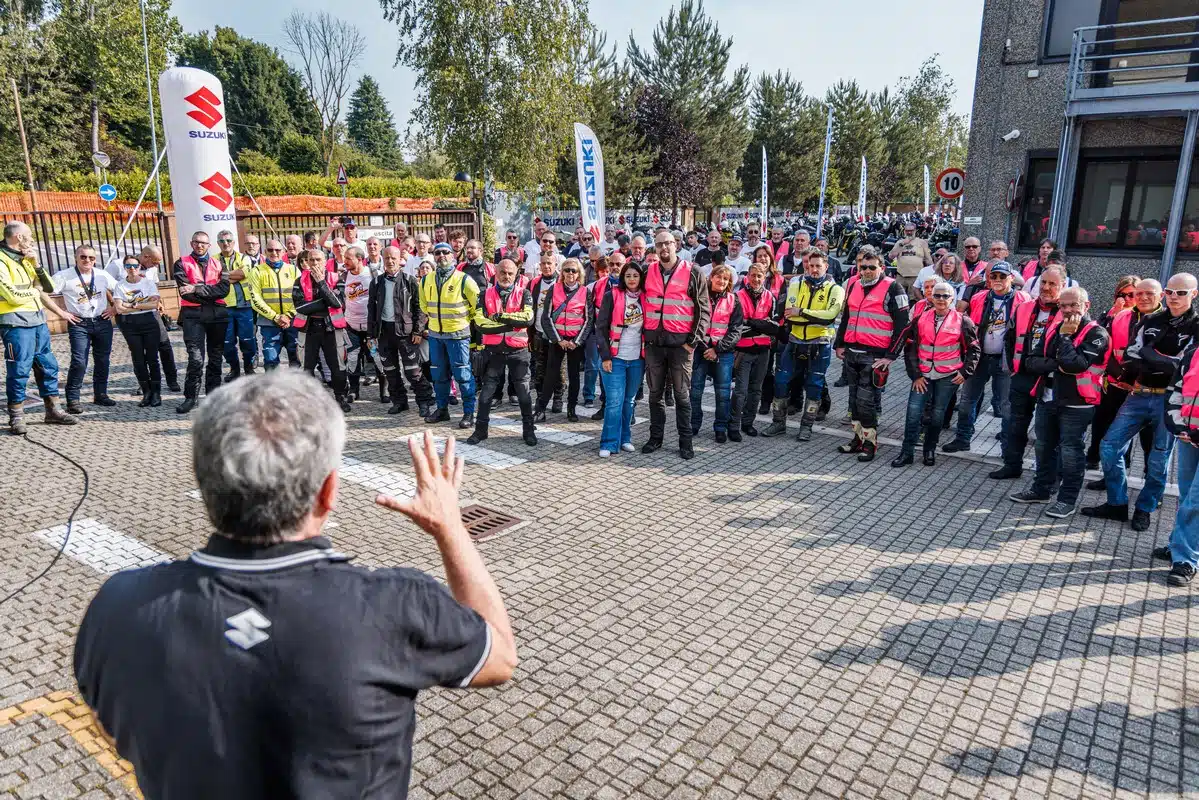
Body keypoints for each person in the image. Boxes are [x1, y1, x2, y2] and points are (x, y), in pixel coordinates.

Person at [73, 374, 516, 800]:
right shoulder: (395, 605)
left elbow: (110, 721)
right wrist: (451, 528)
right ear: (328, 491)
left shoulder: (119, 607)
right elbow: (498, 657)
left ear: (205, 482)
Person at [1084, 272, 1199, 530]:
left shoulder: (1196, 325)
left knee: (1158, 461)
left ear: (1193, 294)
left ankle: (1145, 507)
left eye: (1180, 292)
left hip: (1170, 401)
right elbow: (1133, 357)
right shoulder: (1151, 320)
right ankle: (1117, 503)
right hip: (1139, 393)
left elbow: (1188, 367)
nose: (1174, 297)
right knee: (1109, 447)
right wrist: (1163, 361)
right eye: (1170, 292)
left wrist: (1154, 357)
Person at [1008, 286, 1110, 518]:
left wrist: (1065, 338)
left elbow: (1076, 365)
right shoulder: (1054, 327)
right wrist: (1057, 363)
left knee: (1071, 452)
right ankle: (1041, 489)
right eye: (1062, 305)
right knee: (1044, 447)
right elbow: (1030, 361)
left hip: (1077, 403)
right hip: (1048, 397)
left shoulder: (1096, 333)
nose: (1067, 310)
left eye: (1073, 305)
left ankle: (1067, 499)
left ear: (1086, 306)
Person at [943, 262, 1031, 452]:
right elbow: (970, 327)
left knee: (1007, 406)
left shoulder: (1024, 299)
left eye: (1002, 276)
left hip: (1006, 360)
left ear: (1012, 278)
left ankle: (1007, 446)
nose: (998, 280)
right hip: (979, 358)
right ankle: (962, 439)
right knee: (967, 400)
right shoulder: (979, 297)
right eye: (994, 276)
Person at [889, 281, 980, 467]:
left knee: (938, 415)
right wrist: (915, 375)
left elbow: (974, 350)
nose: (940, 299)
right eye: (937, 295)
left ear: (952, 298)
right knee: (913, 413)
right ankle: (907, 452)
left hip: (948, 376)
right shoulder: (921, 318)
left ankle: (929, 450)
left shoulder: (963, 320)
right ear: (931, 297)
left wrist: (965, 372)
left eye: (945, 296)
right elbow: (910, 348)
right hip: (922, 375)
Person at [0, 221, 77, 433]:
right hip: (15, 322)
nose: (33, 240)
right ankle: (16, 416)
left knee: (48, 366)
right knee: (19, 369)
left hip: (38, 320)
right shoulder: (1, 260)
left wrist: (36, 264)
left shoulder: (26, 258)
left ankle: (53, 411)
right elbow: (13, 297)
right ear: (19, 238)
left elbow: (49, 287)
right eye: (30, 236)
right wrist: (35, 290)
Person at [988, 268, 1065, 480]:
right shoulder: (1024, 307)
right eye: (1044, 282)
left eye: (1052, 284)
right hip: (1021, 377)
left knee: (1046, 432)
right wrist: (1013, 369)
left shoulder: (1067, 311)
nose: (1047, 288)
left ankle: (1048, 477)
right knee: (1015, 424)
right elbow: (1010, 339)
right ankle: (1012, 465)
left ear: (1063, 286)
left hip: (1050, 380)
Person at [641, 230, 711, 460]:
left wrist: (692, 343)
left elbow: (703, 310)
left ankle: (685, 442)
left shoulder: (693, 271)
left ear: (676, 245)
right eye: (659, 244)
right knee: (655, 395)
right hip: (654, 344)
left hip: (681, 345)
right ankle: (655, 438)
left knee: (682, 396)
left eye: (668, 244)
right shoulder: (648, 270)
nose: (664, 248)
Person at [835, 250, 910, 462]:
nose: (867, 271)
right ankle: (857, 439)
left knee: (866, 402)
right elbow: (846, 318)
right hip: (852, 352)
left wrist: (890, 356)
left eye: (871, 267)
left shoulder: (894, 287)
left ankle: (870, 443)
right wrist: (839, 345)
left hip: (874, 356)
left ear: (881, 268)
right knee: (853, 402)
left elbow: (903, 326)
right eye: (863, 267)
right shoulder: (854, 285)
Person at [763, 250, 845, 441]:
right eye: (810, 265)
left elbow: (830, 316)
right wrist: (811, 315)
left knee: (814, 385)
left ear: (826, 266)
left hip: (820, 344)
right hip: (794, 341)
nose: (814, 269)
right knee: (781, 381)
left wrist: (802, 312)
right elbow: (790, 314)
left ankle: (806, 426)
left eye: (818, 266)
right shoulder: (796, 283)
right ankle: (778, 423)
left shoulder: (836, 289)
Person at [1085, 277, 1156, 472]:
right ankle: (1106, 468)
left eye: (1132, 294)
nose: (1126, 299)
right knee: (1110, 429)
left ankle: (1150, 483)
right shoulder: (1114, 316)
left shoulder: (1159, 321)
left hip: (1146, 389)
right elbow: (1104, 348)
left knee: (1149, 439)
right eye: (1121, 295)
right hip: (1115, 384)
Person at [467, 259, 536, 447]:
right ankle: (480, 431)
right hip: (493, 351)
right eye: (503, 272)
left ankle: (528, 430)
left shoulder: (525, 294)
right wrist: (511, 323)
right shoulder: (484, 294)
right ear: (496, 273)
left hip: (518, 351)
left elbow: (528, 319)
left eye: (510, 273)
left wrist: (501, 317)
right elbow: (480, 324)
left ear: (517, 275)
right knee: (486, 395)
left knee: (524, 394)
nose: (506, 276)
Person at [368, 246, 435, 417]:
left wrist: (418, 331)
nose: (390, 261)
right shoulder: (376, 282)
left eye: (394, 258)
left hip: (406, 332)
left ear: (400, 260)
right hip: (384, 332)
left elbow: (420, 308)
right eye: (387, 258)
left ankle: (424, 401)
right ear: (383, 259)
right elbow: (371, 310)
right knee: (390, 371)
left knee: (413, 371)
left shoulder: (410, 280)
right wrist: (371, 334)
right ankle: (399, 402)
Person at [420, 241, 480, 429]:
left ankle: (469, 413)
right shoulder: (425, 280)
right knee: (438, 375)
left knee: (463, 375)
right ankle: (442, 410)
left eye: (446, 252)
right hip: (436, 335)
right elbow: (423, 306)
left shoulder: (463, 279)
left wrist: (463, 322)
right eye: (437, 253)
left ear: (453, 255)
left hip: (457, 335)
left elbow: (476, 305)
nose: (442, 256)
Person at [53, 244, 117, 413]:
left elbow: (122, 290)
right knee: (79, 361)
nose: (87, 260)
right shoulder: (64, 276)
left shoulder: (102, 275)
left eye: (91, 257)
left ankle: (101, 394)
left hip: (102, 322)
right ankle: (73, 399)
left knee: (103, 360)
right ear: (76, 257)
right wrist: (62, 313)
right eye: (83, 257)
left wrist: (114, 309)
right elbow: (44, 292)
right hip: (78, 323)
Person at [174, 230, 230, 415]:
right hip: (193, 315)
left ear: (209, 245)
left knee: (215, 358)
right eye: (197, 242)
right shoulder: (181, 263)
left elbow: (224, 290)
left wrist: (197, 288)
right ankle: (191, 397)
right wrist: (210, 294)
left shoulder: (219, 263)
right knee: (196, 359)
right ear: (191, 243)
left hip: (217, 316)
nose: (200, 245)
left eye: (203, 243)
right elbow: (185, 292)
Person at [291, 248, 352, 413]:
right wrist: (325, 303)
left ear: (325, 261)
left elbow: (338, 303)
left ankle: (341, 398)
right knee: (307, 367)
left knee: (337, 367)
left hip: (331, 328)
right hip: (308, 328)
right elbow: (300, 307)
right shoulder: (299, 280)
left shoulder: (335, 278)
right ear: (307, 262)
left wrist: (321, 284)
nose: (315, 263)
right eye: (311, 260)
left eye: (318, 260)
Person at [596, 261, 646, 456]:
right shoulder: (612, 296)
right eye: (628, 276)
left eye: (635, 275)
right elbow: (600, 328)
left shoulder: (646, 298)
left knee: (629, 401)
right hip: (615, 357)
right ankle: (608, 443)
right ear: (623, 278)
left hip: (637, 359)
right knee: (614, 402)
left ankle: (625, 438)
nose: (632, 279)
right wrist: (606, 356)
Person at [688, 265, 743, 442]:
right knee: (695, 391)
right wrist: (706, 349)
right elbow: (693, 322)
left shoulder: (733, 300)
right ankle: (694, 424)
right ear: (711, 278)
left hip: (723, 352)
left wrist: (717, 349)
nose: (721, 281)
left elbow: (736, 331)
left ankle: (720, 427)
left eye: (725, 279)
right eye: (718, 277)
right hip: (701, 350)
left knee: (723, 393)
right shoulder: (700, 297)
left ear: (729, 282)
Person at [534, 257, 592, 422]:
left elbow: (589, 320)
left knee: (574, 376)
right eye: (567, 270)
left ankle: (571, 409)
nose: (570, 274)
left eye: (574, 270)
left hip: (575, 341)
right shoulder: (554, 289)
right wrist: (558, 339)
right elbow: (546, 317)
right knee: (550, 375)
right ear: (562, 272)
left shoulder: (585, 292)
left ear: (579, 273)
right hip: (558, 339)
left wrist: (577, 341)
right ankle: (541, 409)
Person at [1161, 341, 1199, 585]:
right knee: (1187, 496)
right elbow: (1176, 390)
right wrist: (1178, 425)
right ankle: (1179, 542)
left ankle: (1185, 559)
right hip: (1189, 437)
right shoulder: (1194, 352)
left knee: (1196, 500)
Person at [729, 263, 779, 440]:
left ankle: (748, 423)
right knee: (740, 391)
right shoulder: (737, 297)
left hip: (763, 351)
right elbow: (736, 326)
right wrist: (761, 325)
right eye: (753, 275)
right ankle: (733, 425)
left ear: (764, 277)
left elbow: (775, 327)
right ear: (747, 277)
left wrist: (751, 322)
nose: (756, 279)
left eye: (760, 276)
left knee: (756, 390)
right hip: (743, 350)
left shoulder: (770, 297)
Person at [113, 255, 163, 407]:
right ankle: (146, 391)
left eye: (135, 266)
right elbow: (119, 309)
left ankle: (156, 393)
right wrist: (142, 304)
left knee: (152, 358)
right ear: (124, 268)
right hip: (131, 325)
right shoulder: (120, 286)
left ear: (140, 267)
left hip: (149, 322)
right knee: (138, 359)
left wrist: (132, 306)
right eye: (128, 266)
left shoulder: (148, 283)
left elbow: (155, 304)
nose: (132, 269)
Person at [248, 239, 301, 371]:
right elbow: (255, 299)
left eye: (277, 250)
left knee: (296, 358)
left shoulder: (294, 270)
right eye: (270, 250)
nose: (274, 253)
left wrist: (288, 315)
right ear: (265, 252)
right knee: (271, 360)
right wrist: (276, 317)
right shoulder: (256, 271)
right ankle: (272, 390)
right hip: (269, 322)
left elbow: (301, 297)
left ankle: (297, 388)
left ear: (283, 252)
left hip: (292, 321)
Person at [341, 245, 384, 404]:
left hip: (371, 329)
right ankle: (354, 390)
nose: (345, 261)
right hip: (351, 327)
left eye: (348, 258)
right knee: (352, 358)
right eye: (344, 258)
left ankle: (383, 390)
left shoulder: (374, 275)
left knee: (377, 357)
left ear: (359, 259)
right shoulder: (344, 276)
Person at [215, 230, 257, 381]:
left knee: (247, 340)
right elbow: (213, 280)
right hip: (223, 307)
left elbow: (243, 274)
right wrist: (232, 276)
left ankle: (249, 367)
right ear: (218, 243)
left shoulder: (244, 257)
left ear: (233, 242)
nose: (225, 243)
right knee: (227, 343)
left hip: (244, 306)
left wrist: (223, 277)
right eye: (222, 241)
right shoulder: (213, 260)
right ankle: (234, 368)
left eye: (228, 240)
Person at [529, 249, 564, 414]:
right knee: (539, 368)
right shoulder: (535, 283)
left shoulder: (561, 282)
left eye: (549, 263)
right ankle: (540, 396)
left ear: (555, 264)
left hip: (557, 334)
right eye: (543, 263)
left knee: (558, 369)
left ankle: (558, 397)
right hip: (538, 332)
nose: (546, 266)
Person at [888, 221, 932, 298]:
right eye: (907, 230)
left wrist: (932, 273)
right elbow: (891, 256)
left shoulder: (922, 242)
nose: (909, 232)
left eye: (911, 230)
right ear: (904, 231)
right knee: (898, 298)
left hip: (915, 277)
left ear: (915, 231)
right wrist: (902, 244)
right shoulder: (900, 242)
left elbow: (928, 260)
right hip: (901, 276)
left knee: (914, 300)